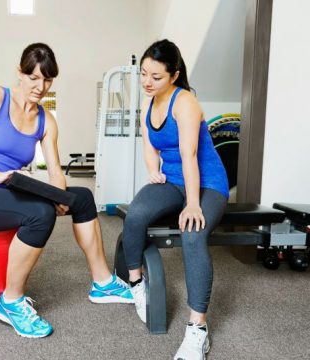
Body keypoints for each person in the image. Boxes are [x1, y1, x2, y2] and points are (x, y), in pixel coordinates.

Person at [0, 43, 133, 339]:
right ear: (20, 73)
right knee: (39, 214)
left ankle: (103, 282)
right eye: (33, 78)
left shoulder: (46, 120)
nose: (40, 87)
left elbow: (55, 168)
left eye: (47, 80)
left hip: (7, 190)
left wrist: (59, 195)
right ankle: (11, 301)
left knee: (81, 197)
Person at [122, 39, 229, 360]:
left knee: (193, 232)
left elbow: (190, 155)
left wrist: (193, 204)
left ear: (174, 75)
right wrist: (153, 170)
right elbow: (149, 144)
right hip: (172, 180)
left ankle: (198, 330)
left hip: (207, 183)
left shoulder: (185, 103)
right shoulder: (149, 101)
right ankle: (136, 285)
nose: (147, 81)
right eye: (143, 74)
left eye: (155, 76)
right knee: (136, 214)